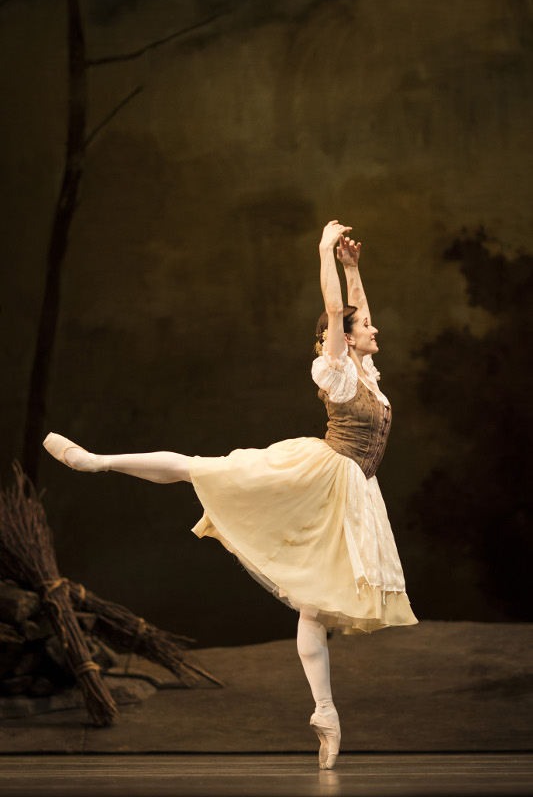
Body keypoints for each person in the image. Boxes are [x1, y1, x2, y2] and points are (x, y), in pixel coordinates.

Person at [43, 220, 418, 770]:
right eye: (366, 326)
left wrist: (354, 266)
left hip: (355, 494)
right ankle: (98, 461)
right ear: (341, 337)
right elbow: (338, 307)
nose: (374, 329)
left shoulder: (367, 372)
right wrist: (323, 252)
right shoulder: (336, 368)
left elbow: (354, 302)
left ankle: (325, 713)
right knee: (207, 471)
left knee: (314, 604)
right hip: (318, 474)